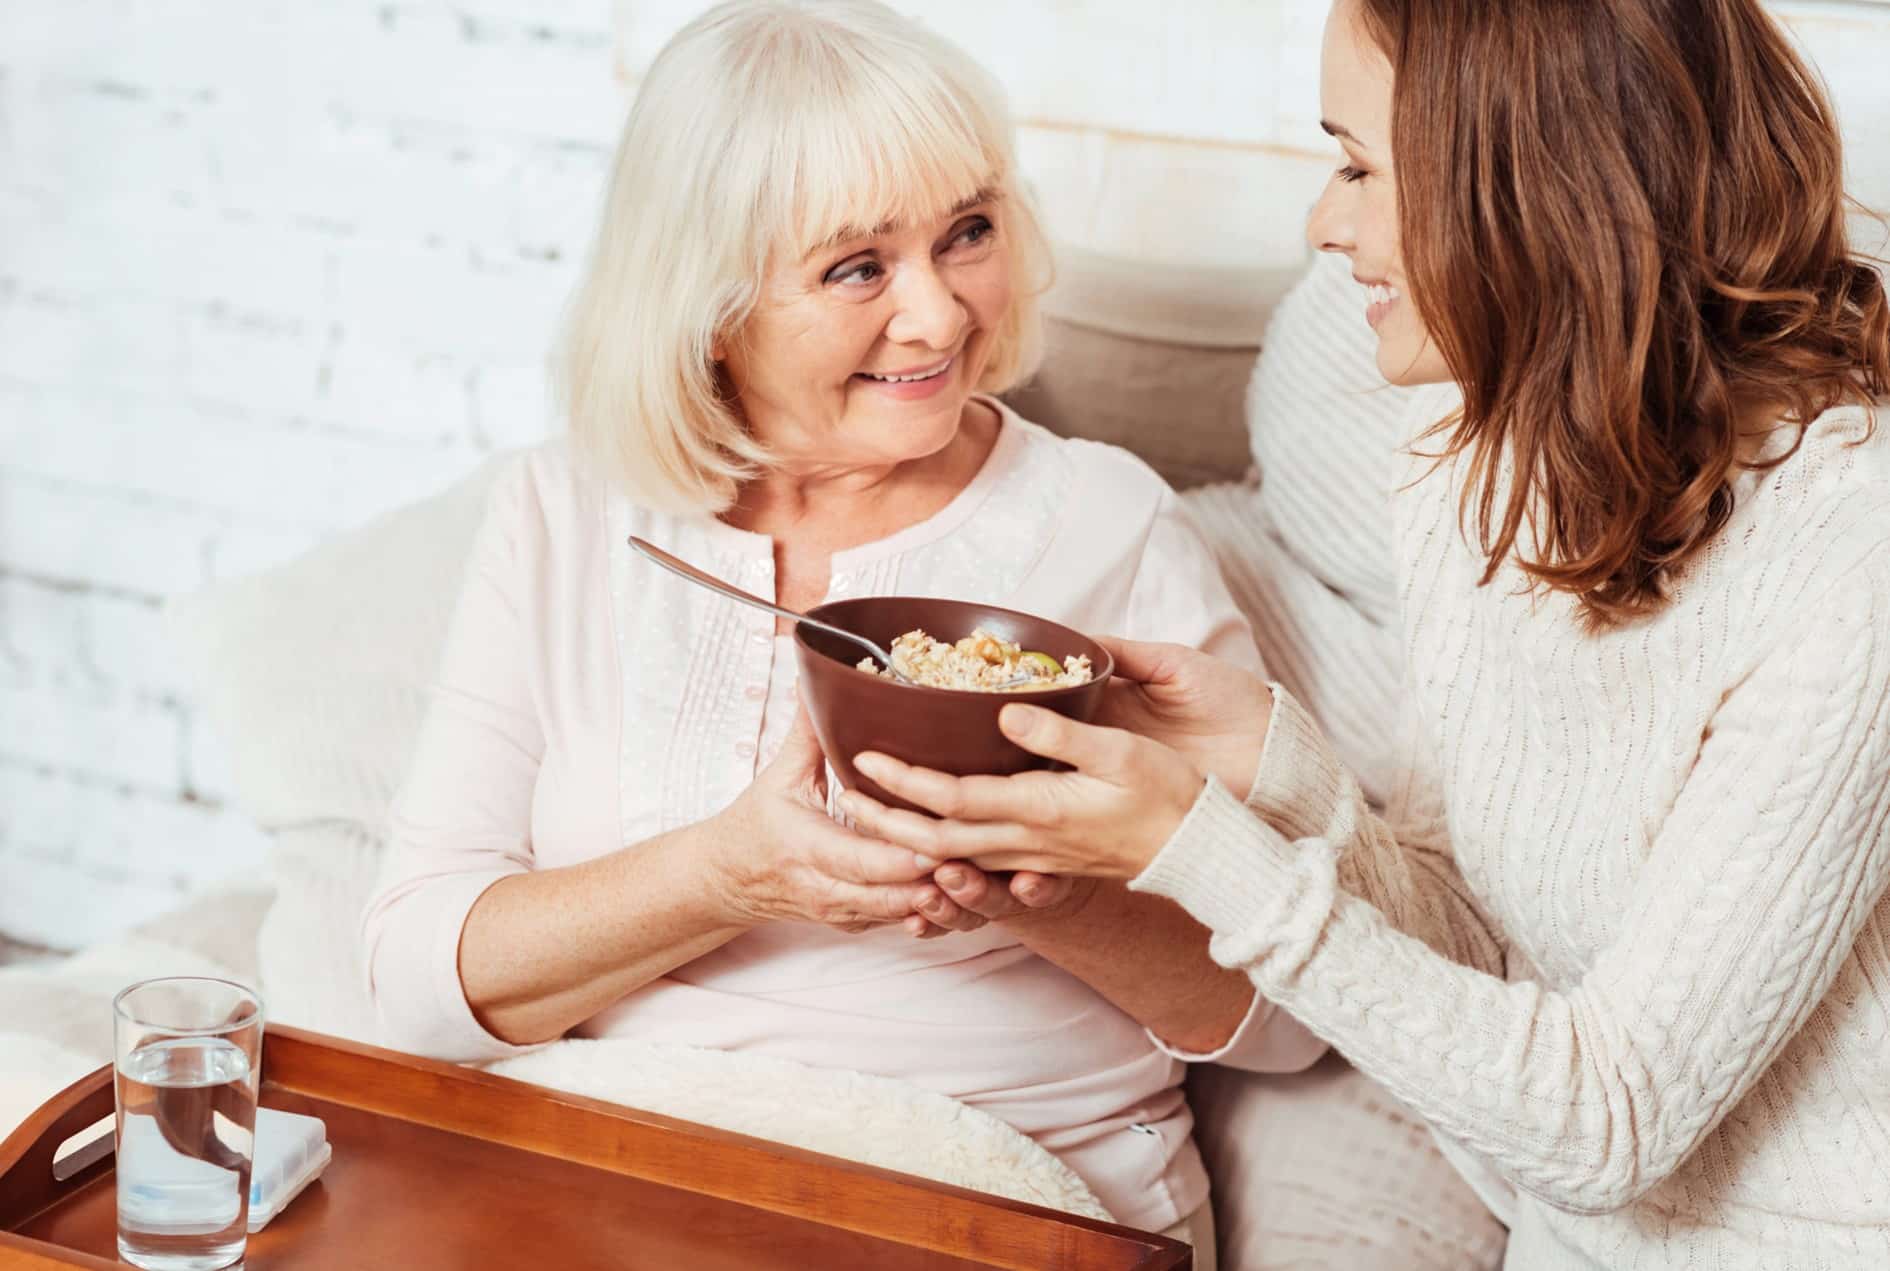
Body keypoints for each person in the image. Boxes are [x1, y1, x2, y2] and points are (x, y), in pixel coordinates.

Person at [846, 0, 1890, 1265]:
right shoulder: (1468, 460)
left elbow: (1611, 1120)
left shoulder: (1853, 556)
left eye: (1357, 167)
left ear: (1532, 185)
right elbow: (1475, 939)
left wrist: (1197, 848)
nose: (1323, 225)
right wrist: (1274, 762)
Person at [358, 1, 1323, 1257]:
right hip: (625, 1171)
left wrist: (1040, 891)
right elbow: (417, 982)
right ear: (710, 303)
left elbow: (1292, 1015)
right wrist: (722, 874)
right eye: (857, 267)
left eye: (967, 233)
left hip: (992, 1191)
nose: (939, 316)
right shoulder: (566, 508)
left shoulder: (1110, 522)